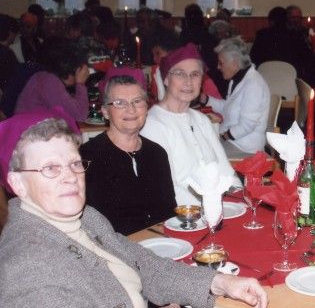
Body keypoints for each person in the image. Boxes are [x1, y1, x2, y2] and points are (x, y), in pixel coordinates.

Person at [0, 108, 273, 308]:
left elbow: (145, 265)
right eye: (50, 168)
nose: (70, 177)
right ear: (17, 183)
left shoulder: (85, 218)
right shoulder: (30, 265)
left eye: (74, 163)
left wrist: (219, 282)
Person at [141, 43, 241, 205]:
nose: (188, 82)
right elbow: (167, 188)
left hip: (217, 208)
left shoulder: (202, 120)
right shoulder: (152, 125)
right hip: (181, 212)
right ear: (166, 79)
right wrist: (211, 206)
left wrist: (240, 201)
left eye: (195, 74)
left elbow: (226, 171)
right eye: (180, 74)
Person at [80, 69, 176, 236]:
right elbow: (92, 225)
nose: (131, 110)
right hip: (115, 247)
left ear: (146, 107)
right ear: (105, 112)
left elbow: (169, 211)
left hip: (161, 242)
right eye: (120, 103)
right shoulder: (89, 156)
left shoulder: (156, 153)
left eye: (137, 101)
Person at [199, 37, 270, 157]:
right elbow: (228, 107)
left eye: (221, 63)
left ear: (235, 64)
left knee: (202, 153)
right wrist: (206, 100)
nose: (218, 67)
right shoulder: (237, 80)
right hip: (234, 142)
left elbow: (247, 125)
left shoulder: (254, 85)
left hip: (245, 148)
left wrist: (223, 136)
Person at [14, 37, 89, 122]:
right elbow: (80, 116)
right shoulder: (49, 81)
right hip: (30, 129)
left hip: (32, 127)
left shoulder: (44, 77)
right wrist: (80, 84)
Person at [250, 6, 312, 75]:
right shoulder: (295, 35)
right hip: (290, 76)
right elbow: (306, 58)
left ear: (271, 21)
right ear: (287, 20)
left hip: (266, 75)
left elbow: (253, 57)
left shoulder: (262, 35)